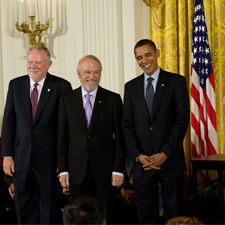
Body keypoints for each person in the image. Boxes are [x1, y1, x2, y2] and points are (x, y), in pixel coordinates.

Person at [121, 39, 190, 224]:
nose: (144, 60)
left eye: (148, 54)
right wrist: (138, 156)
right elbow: (126, 124)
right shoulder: (131, 87)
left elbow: (182, 120)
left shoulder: (175, 81)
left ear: (157, 53)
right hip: (143, 164)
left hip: (170, 160)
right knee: (145, 217)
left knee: (175, 216)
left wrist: (165, 153)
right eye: (139, 57)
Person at [1, 46, 72, 224]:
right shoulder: (15, 85)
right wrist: (7, 155)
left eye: (38, 62)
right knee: (24, 212)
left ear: (48, 64)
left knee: (50, 213)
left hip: (49, 163)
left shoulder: (62, 86)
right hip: (21, 161)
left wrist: (62, 162)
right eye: (30, 61)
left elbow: (67, 128)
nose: (33, 66)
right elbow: (8, 124)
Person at [57, 55, 125, 224]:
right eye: (88, 72)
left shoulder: (113, 99)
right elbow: (61, 138)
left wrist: (118, 169)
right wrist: (63, 170)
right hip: (76, 171)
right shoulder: (66, 99)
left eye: (96, 72)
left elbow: (120, 138)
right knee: (78, 217)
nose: (92, 76)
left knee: (106, 216)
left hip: (105, 171)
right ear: (79, 74)